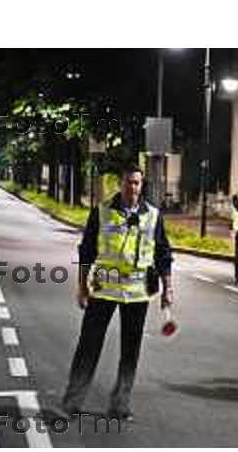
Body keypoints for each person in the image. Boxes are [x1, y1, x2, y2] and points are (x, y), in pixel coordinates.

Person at [62, 164, 174, 420]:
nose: (132, 187)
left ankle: (120, 406)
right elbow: (86, 251)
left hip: (137, 292)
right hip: (104, 289)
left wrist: (168, 288)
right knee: (88, 345)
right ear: (120, 184)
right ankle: (72, 402)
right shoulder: (101, 212)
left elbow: (163, 254)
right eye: (127, 182)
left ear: (141, 185)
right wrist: (81, 286)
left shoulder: (153, 216)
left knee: (130, 350)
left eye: (136, 183)